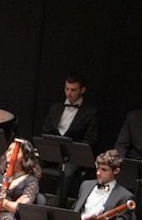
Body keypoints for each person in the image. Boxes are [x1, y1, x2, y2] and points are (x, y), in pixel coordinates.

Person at [41, 73, 100, 203]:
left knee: (67, 173)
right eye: (67, 89)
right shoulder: (55, 108)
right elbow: (46, 131)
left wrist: (73, 149)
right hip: (53, 151)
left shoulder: (90, 112)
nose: (69, 93)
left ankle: (59, 207)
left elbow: (91, 139)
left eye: (73, 90)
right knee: (32, 164)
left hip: (74, 155)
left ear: (82, 90)